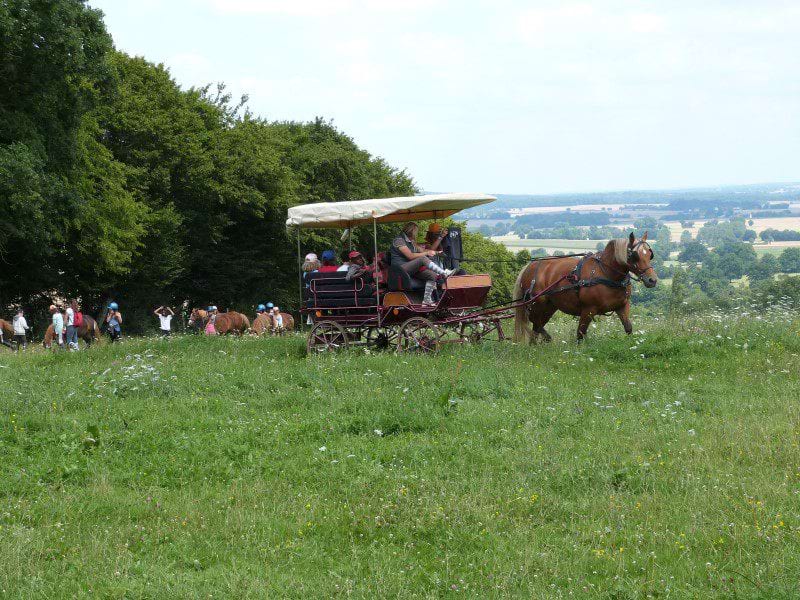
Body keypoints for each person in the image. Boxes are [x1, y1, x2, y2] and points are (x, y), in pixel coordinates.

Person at [390, 222, 455, 304]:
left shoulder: (412, 242)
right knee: (422, 259)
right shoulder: (399, 241)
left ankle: (427, 300)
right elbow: (410, 256)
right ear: (411, 232)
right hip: (400, 269)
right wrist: (426, 253)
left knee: (432, 275)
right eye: (415, 233)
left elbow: (423, 251)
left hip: (411, 268)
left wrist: (436, 252)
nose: (415, 235)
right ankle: (444, 273)